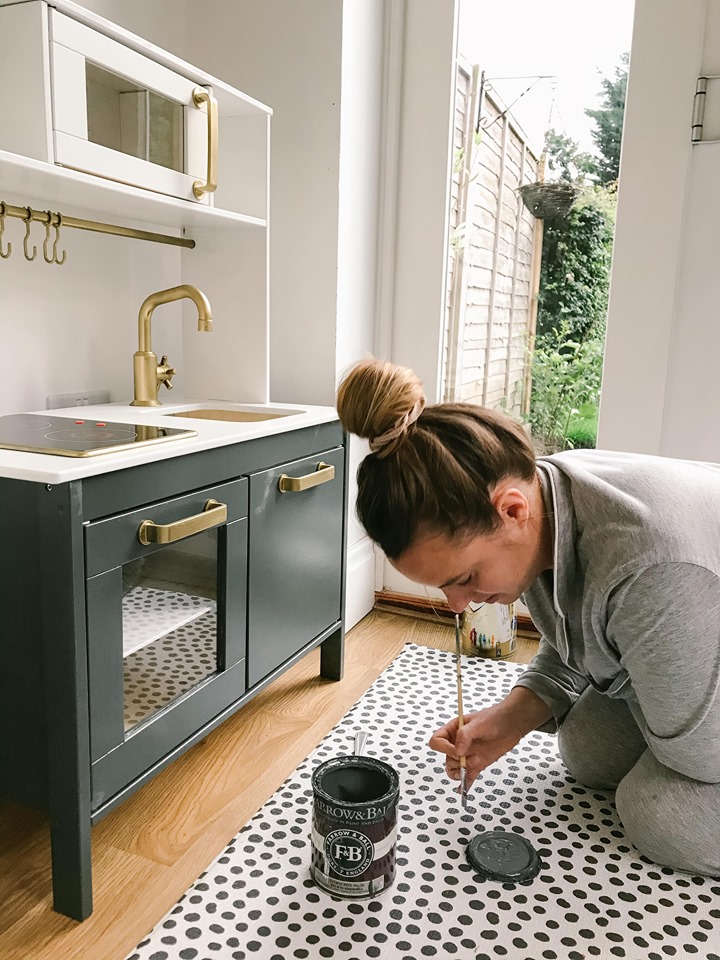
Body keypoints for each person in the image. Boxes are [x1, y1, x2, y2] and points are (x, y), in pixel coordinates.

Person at [336, 356, 720, 877]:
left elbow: (706, 760)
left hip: (698, 660)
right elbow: (579, 638)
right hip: (694, 636)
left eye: (465, 577)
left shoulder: (651, 574)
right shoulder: (549, 496)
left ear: (511, 510)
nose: (458, 604)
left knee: (657, 812)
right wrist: (509, 720)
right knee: (586, 747)